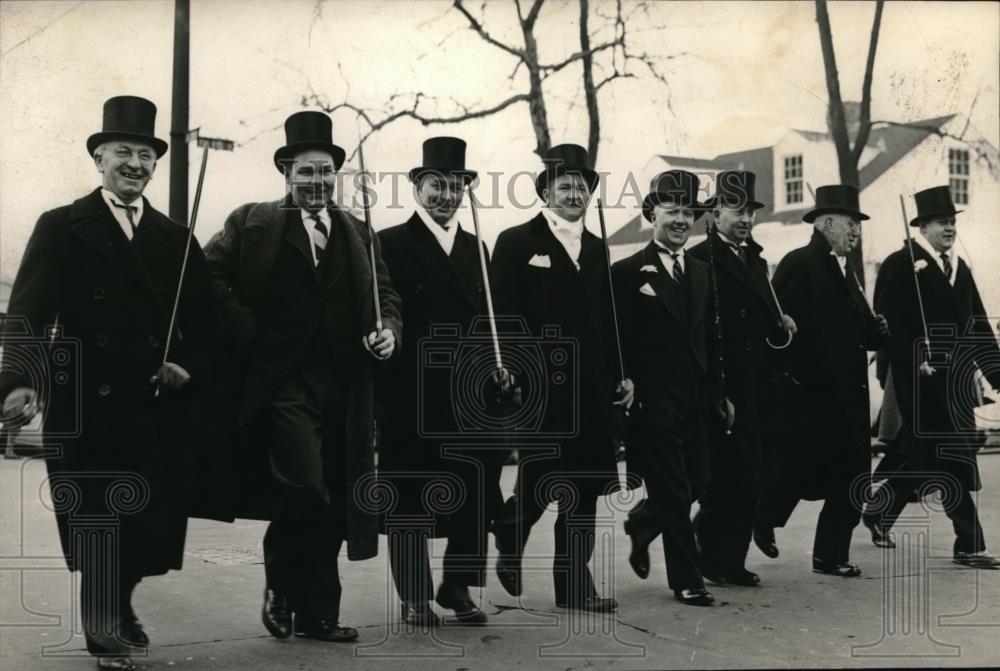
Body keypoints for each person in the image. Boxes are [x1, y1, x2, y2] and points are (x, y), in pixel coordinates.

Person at [0, 95, 218, 670]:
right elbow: (28, 313)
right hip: (86, 403)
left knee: (143, 527)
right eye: (124, 151)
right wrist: (21, 381)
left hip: (154, 405)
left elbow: (207, 318)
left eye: (146, 155)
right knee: (98, 519)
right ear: (99, 157)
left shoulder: (175, 238)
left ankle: (119, 605)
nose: (136, 164)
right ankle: (104, 626)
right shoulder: (61, 226)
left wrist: (186, 363)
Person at [204, 110, 402, 642]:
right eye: (305, 172)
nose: (317, 182)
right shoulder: (254, 221)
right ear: (286, 173)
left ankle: (318, 614)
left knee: (335, 501)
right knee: (306, 486)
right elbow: (209, 273)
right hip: (282, 383)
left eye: (325, 172)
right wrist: (247, 328)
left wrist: (388, 332)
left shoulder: (358, 231)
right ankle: (280, 586)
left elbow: (387, 297)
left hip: (346, 386)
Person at [490, 144, 633, 612]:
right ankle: (510, 539)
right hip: (540, 386)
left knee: (586, 487)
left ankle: (574, 585)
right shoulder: (516, 242)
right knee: (542, 477)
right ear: (545, 192)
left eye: (582, 186)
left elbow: (610, 320)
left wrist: (621, 375)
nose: (574, 193)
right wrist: (510, 370)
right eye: (565, 185)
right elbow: (502, 317)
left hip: (592, 387)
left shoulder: (596, 247)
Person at [377, 137, 506, 626]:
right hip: (411, 392)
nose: (446, 195)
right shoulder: (387, 243)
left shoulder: (477, 247)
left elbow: (493, 322)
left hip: (471, 396)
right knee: (410, 495)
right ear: (417, 187)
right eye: (436, 185)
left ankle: (457, 587)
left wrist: (500, 363)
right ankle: (414, 596)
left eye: (455, 186)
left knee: (477, 488)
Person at [867, 185, 1000, 568]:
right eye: (942, 222)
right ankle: (970, 544)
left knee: (920, 453)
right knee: (950, 456)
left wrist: (996, 373)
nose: (949, 228)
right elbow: (887, 326)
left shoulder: (959, 269)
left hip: (955, 382)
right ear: (922, 226)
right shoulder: (899, 264)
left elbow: (977, 326)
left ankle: (877, 512)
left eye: (952, 222)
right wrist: (917, 355)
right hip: (919, 380)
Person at [765, 184, 890, 577]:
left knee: (852, 478)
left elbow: (861, 332)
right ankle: (758, 517)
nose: (856, 231)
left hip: (848, 397)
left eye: (858, 224)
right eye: (852, 223)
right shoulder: (799, 262)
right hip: (814, 397)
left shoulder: (845, 268)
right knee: (801, 473)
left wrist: (878, 331)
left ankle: (830, 555)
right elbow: (776, 328)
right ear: (827, 222)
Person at [687, 170, 795, 586]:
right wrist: (716, 388)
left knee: (752, 478)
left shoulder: (756, 259)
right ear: (715, 213)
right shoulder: (701, 259)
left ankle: (729, 560)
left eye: (750, 211)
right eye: (737, 210)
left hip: (760, 384)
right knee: (727, 479)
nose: (745, 218)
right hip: (723, 384)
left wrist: (780, 322)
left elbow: (761, 316)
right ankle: (712, 559)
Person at [612, 171, 714, 606]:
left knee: (702, 479)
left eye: (688, 212)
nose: (680, 219)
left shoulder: (703, 272)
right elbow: (616, 337)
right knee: (673, 491)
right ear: (651, 214)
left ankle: (643, 521)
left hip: (699, 399)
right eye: (672, 211)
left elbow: (711, 338)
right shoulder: (627, 271)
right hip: (653, 400)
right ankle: (687, 580)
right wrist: (626, 379)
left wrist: (721, 394)